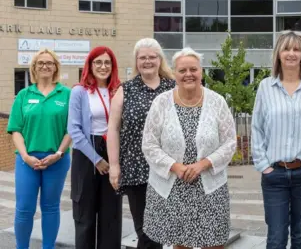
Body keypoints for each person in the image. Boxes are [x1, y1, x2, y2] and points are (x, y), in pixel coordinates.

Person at [141, 47, 236, 249]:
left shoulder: (217, 102)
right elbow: (149, 144)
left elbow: (230, 142)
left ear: (201, 71)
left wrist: (203, 164)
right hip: (175, 186)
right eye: (182, 70)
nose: (188, 75)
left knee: (215, 243)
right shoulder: (161, 103)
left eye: (193, 69)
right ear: (174, 73)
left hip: (211, 188)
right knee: (181, 244)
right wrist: (175, 166)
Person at [251, 30, 301, 249]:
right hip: (275, 175)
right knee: (276, 237)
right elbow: (257, 128)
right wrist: (264, 166)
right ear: (278, 54)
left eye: (296, 49)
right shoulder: (266, 86)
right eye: (286, 49)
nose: (291, 54)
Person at [107, 38, 176, 249]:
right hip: (136, 169)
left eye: (152, 57)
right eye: (142, 57)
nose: (147, 61)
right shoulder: (125, 90)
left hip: (169, 169)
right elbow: (113, 129)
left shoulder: (173, 88)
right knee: (145, 230)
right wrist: (114, 165)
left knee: (164, 229)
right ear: (136, 61)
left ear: (160, 60)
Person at [7, 49, 71, 249]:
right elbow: (15, 130)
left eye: (49, 63)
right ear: (34, 67)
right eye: (40, 63)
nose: (45, 66)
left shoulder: (67, 94)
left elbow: (71, 129)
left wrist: (58, 153)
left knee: (50, 207)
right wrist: (25, 156)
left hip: (57, 160)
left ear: (55, 68)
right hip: (27, 161)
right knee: (24, 209)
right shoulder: (24, 95)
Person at [68, 46, 123, 249]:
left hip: (112, 150)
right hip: (86, 153)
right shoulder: (79, 91)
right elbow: (73, 130)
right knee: (85, 214)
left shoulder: (118, 91)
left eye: (107, 62)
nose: (103, 66)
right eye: (98, 62)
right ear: (90, 66)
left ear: (113, 66)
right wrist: (97, 159)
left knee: (112, 214)